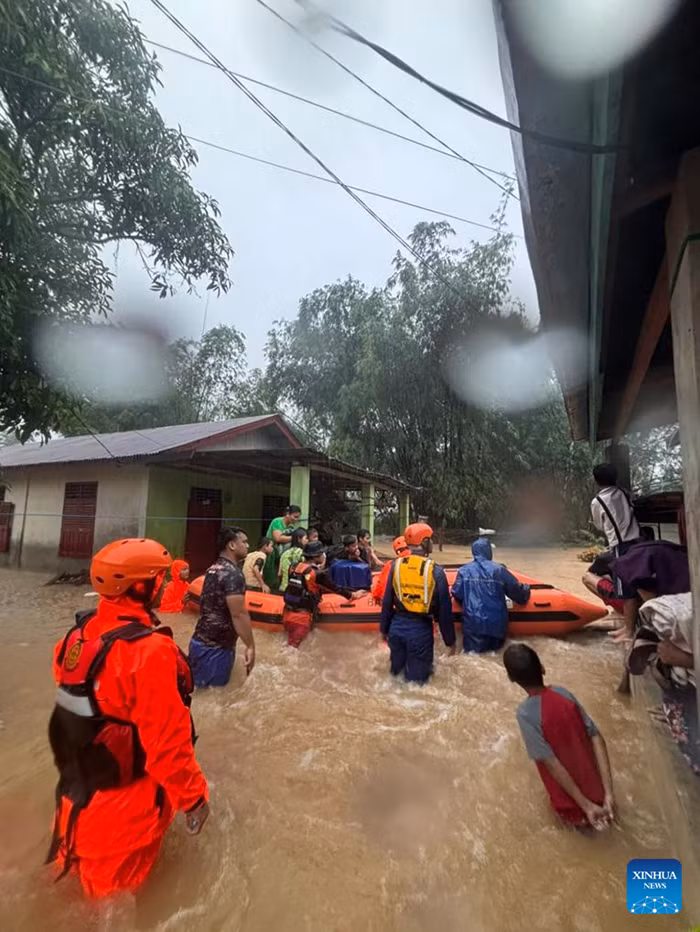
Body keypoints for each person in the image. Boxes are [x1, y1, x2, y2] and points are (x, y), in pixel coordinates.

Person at [46, 538, 209, 897]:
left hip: (74, 809)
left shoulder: (74, 637)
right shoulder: (149, 653)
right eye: (159, 579)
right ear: (141, 587)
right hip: (125, 825)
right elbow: (166, 744)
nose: (164, 584)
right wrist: (194, 799)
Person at [504, 643, 615, 831]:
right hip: (603, 798)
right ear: (542, 668)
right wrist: (609, 794)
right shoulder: (563, 693)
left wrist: (587, 806)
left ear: (511, 679)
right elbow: (597, 737)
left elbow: (551, 763)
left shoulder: (525, 714)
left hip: (574, 808)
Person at [380, 522, 456, 682]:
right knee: (417, 684)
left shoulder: (395, 566)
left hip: (396, 629)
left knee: (395, 680)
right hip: (420, 631)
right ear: (425, 542)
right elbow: (444, 611)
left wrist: (383, 631)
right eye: (431, 540)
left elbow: (387, 602)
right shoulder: (435, 570)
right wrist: (450, 641)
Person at [189, 526, 256, 687]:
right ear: (231, 545)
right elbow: (238, 614)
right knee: (214, 695)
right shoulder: (233, 574)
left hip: (200, 641)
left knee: (200, 693)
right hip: (216, 650)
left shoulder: (212, 569)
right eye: (244, 542)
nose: (248, 546)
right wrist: (250, 645)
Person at [451, 537, 530, 654]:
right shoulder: (499, 570)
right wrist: (526, 589)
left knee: (473, 657)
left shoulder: (464, 571)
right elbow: (517, 592)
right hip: (497, 624)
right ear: (489, 552)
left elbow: (457, 593)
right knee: (495, 655)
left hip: (474, 623)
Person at [590, 462, 640, 640]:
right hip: (637, 542)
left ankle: (629, 630)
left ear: (596, 480)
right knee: (634, 585)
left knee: (627, 590)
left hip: (621, 546)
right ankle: (629, 624)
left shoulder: (598, 501)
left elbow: (598, 525)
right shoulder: (624, 493)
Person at [282, 540, 361, 648]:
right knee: (294, 650)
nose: (324, 555)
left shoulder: (294, 567)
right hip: (301, 619)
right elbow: (335, 588)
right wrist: (352, 595)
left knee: (291, 645)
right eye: (322, 553)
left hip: (287, 614)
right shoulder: (317, 574)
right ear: (316, 556)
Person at [263, 504, 302, 590]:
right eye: (294, 517)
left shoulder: (291, 526)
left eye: (298, 517)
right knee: (271, 578)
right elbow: (278, 538)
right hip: (271, 553)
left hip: (282, 556)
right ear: (287, 514)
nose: (296, 520)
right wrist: (295, 538)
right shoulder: (277, 522)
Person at [371, 535, 411, 602]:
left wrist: (375, 593)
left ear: (397, 551)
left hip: (398, 603)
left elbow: (381, 589)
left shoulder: (391, 565)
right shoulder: (423, 562)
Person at [278, 527, 308, 592]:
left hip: (283, 588)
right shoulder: (301, 553)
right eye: (306, 538)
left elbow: (279, 574)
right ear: (299, 539)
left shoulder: (285, 553)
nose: (307, 541)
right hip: (294, 590)